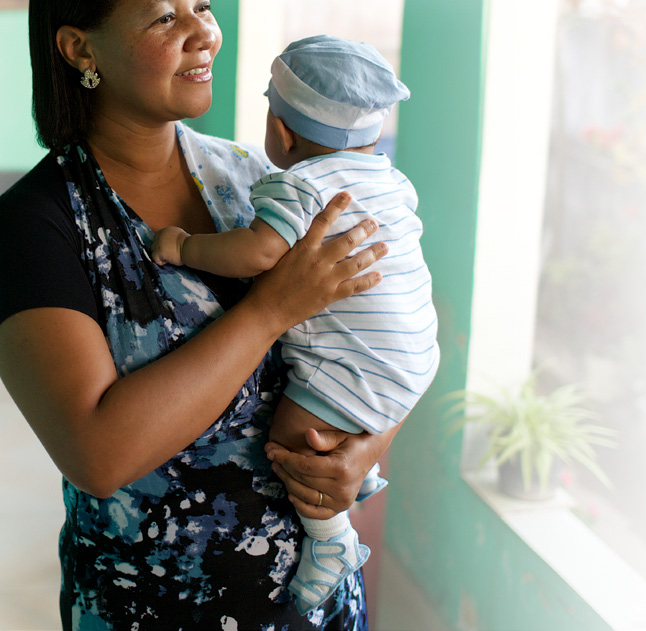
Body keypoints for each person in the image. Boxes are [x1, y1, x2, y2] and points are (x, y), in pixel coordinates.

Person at [0, 2, 402, 629]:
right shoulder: (35, 227)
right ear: (81, 49)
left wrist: (366, 449)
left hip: (317, 603)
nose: (204, 33)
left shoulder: (254, 178)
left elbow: (380, 319)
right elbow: (97, 457)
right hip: (154, 608)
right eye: (165, 17)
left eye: (203, 6)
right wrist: (270, 309)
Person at [151, 35, 440, 614]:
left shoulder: (299, 186)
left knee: (292, 444)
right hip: (412, 353)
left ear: (281, 131)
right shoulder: (391, 181)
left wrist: (184, 246)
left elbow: (257, 253)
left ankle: (332, 542)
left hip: (355, 368)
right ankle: (355, 470)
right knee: (327, 431)